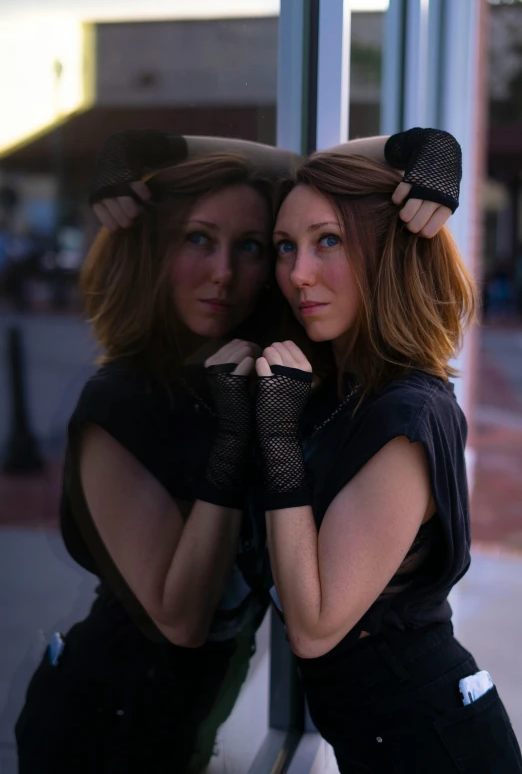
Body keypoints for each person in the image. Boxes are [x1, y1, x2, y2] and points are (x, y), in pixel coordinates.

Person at [253, 149, 522, 772]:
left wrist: (275, 432)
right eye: (284, 246)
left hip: (432, 746)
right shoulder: (345, 389)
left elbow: (315, 626)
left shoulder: (405, 414)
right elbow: (266, 163)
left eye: (328, 241)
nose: (297, 273)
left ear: (388, 252)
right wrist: (412, 148)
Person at [15, 152, 284, 774]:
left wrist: (435, 159)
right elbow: (183, 619)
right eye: (198, 239)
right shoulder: (121, 400)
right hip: (102, 730)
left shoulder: (246, 376)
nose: (223, 272)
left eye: (249, 246)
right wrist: (140, 154)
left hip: (184, 723)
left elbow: (301, 167)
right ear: (156, 248)